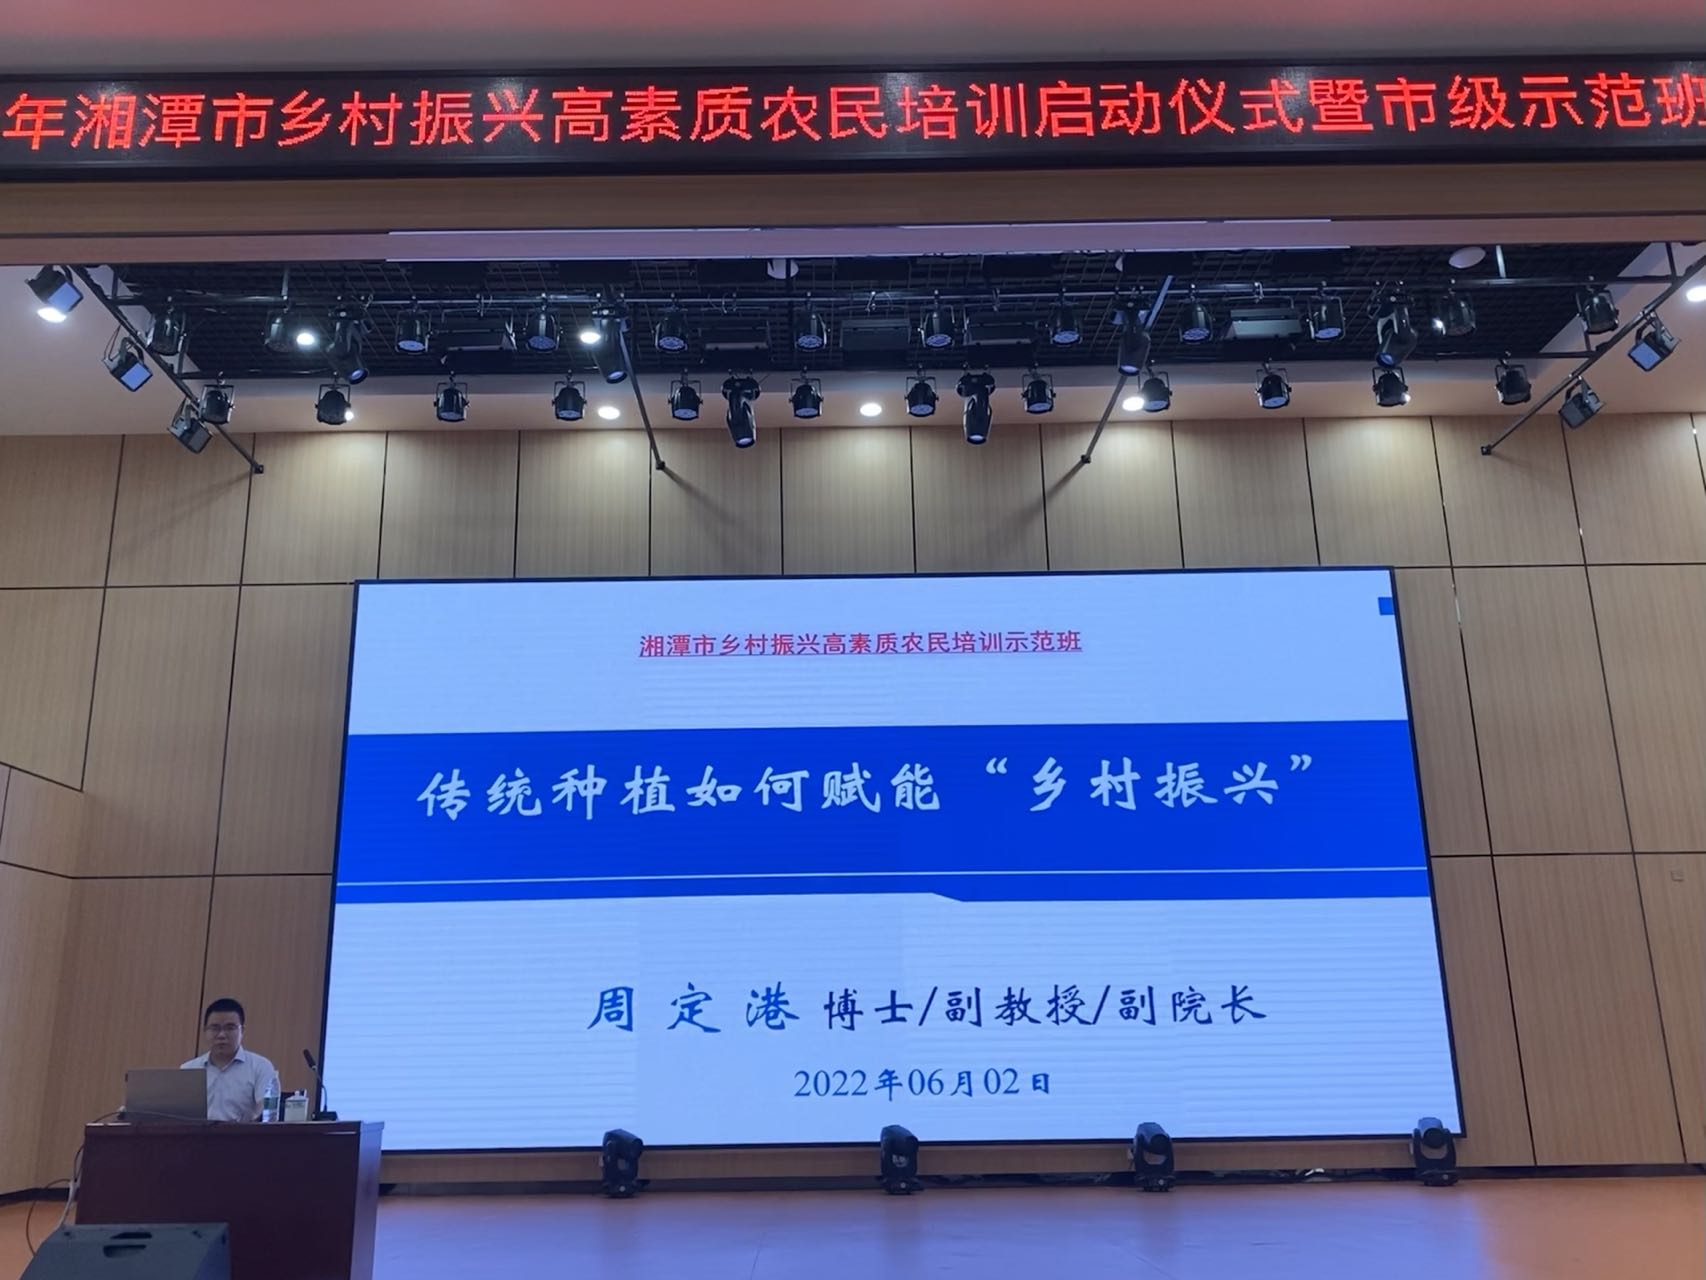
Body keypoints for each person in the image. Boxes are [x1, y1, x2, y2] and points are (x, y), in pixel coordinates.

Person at [181, 998, 279, 1122]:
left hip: (243, 1133)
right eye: (215, 1028)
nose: (221, 1035)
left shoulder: (260, 1066)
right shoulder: (188, 1069)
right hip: (197, 1133)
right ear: (205, 1031)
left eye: (230, 1028)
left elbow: (266, 1110)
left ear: (242, 1031)